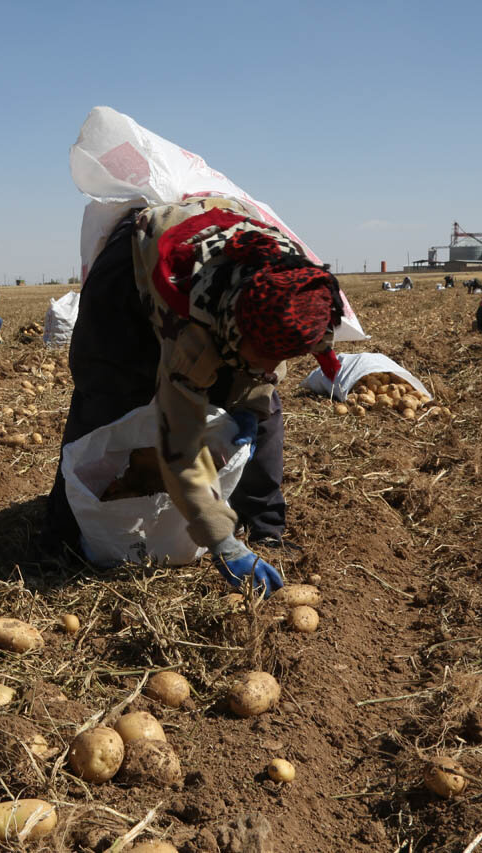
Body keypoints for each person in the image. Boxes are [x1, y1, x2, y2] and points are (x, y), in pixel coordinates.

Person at [44, 197, 345, 597]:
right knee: (108, 399)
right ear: (233, 332)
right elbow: (180, 443)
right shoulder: (195, 333)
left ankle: (265, 527)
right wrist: (222, 542)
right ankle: (60, 538)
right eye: (260, 354)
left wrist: (253, 403)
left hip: (229, 279)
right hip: (133, 278)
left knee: (265, 410)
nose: (272, 363)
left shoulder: (299, 293)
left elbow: (271, 363)